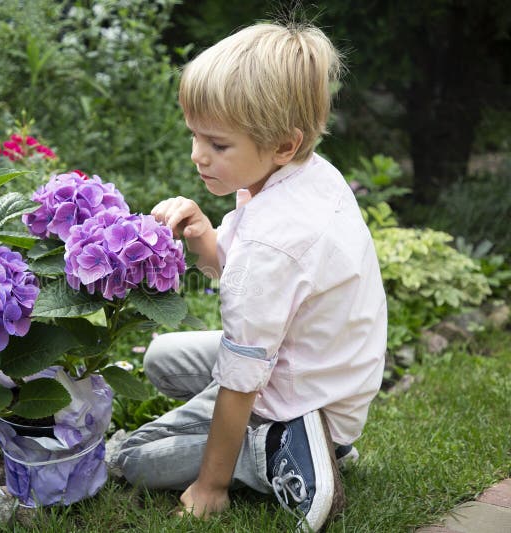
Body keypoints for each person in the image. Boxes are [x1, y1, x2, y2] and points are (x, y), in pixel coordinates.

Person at [111, 21, 387, 532]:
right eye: (194, 135)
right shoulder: (302, 175)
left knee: (133, 458)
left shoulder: (272, 240)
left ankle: (274, 453)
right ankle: (312, 435)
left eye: (217, 144)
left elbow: (241, 379)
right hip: (323, 368)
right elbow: (245, 277)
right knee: (159, 361)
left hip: (303, 393)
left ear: (283, 144)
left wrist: (210, 486)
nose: (198, 155)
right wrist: (200, 234)